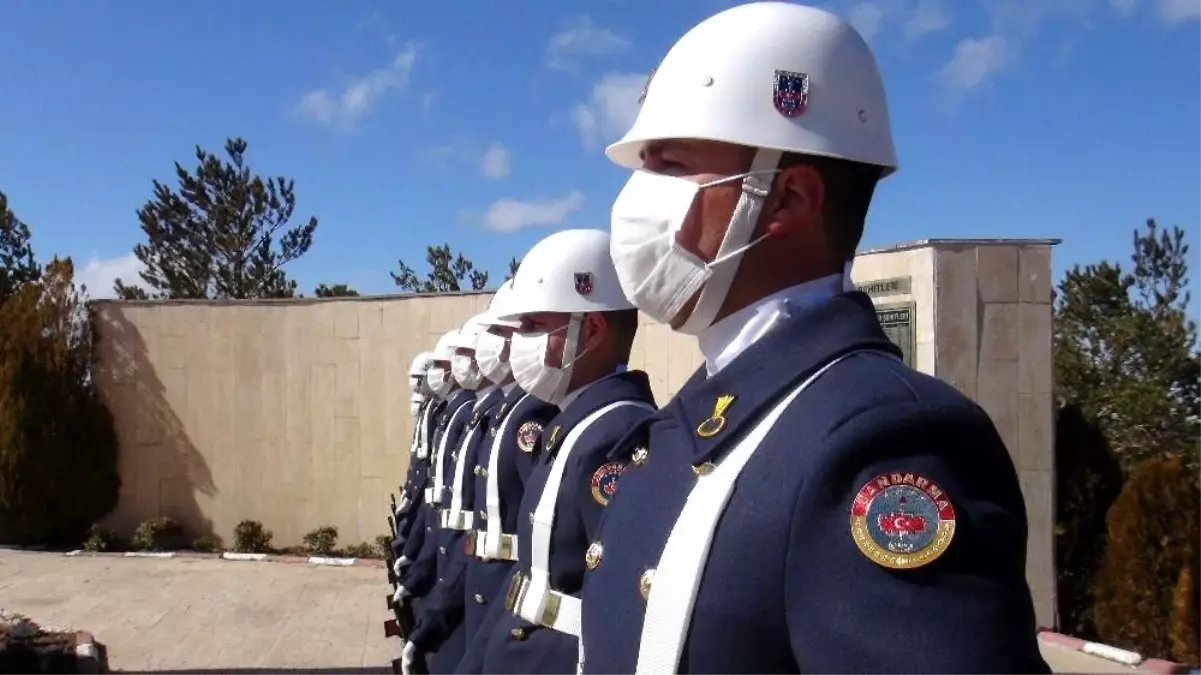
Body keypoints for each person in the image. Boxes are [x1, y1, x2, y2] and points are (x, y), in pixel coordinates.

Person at [578, 4, 1051, 675]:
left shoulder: (882, 442)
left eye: (670, 165)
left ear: (787, 201)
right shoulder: (701, 418)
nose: (633, 201)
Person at [458, 229, 658, 675]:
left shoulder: (618, 434)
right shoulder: (573, 426)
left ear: (590, 330)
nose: (519, 343)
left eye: (533, 326)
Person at [403, 315, 508, 675]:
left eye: (462, 356)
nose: (449, 370)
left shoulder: (504, 418)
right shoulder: (470, 413)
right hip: (452, 559)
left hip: (483, 580)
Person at [460, 281, 557, 647]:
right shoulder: (503, 409)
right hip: (484, 573)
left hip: (509, 582)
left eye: (525, 327)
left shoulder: (533, 412)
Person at [394, 329, 477, 610]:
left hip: (455, 541)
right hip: (433, 527)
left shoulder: (466, 411)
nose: (433, 375)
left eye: (440, 367)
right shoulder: (446, 410)